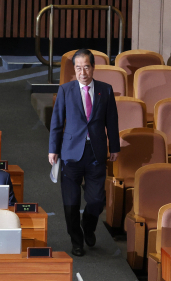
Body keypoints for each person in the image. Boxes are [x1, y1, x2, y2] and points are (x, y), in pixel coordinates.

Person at [48, 49, 120, 257]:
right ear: (74, 69)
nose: (82, 72)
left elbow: (111, 122)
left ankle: (88, 226)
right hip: (71, 153)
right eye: (78, 67)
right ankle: (76, 240)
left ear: (93, 68)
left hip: (96, 153)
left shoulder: (105, 90)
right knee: (70, 204)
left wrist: (114, 146)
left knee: (97, 200)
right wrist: (53, 149)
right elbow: (56, 122)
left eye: (86, 67)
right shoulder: (65, 90)